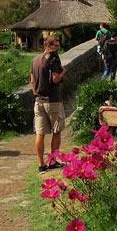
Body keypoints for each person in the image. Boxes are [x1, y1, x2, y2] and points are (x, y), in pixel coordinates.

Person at [30, 36, 67, 173]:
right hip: (53, 100)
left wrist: (36, 94)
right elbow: (55, 79)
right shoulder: (53, 59)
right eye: (56, 46)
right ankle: (52, 161)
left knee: (40, 133)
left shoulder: (34, 60)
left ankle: (41, 165)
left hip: (38, 101)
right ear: (49, 46)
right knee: (56, 131)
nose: (58, 49)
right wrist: (63, 71)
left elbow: (32, 80)